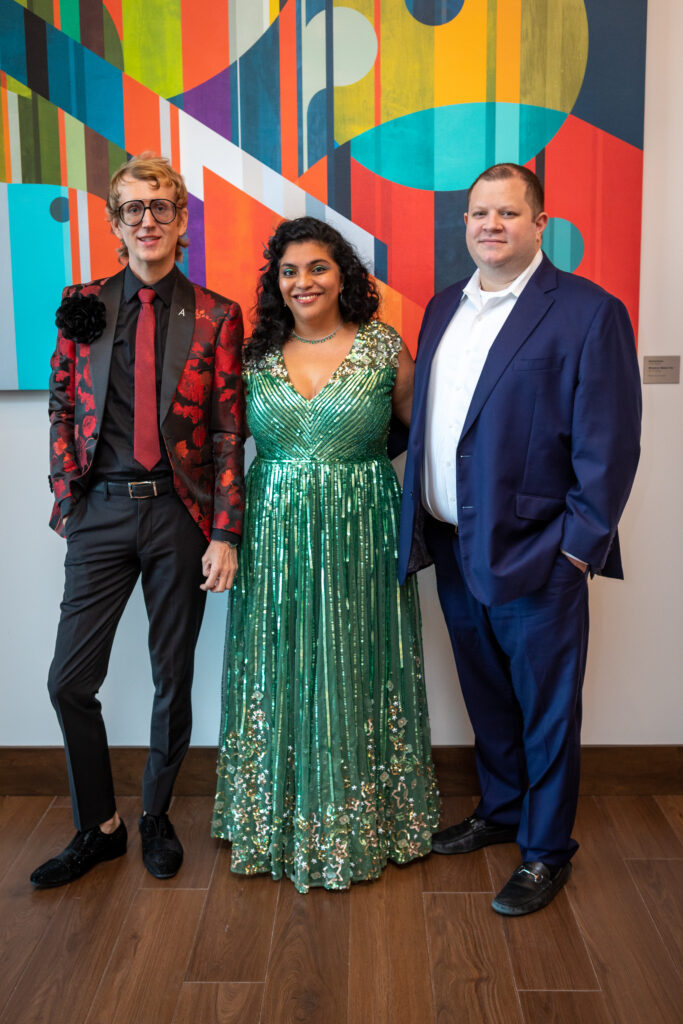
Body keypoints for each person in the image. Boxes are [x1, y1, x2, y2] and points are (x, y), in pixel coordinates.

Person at [397, 163, 641, 916]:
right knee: (488, 697)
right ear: (463, 225)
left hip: (539, 553)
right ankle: (501, 810)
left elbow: (610, 448)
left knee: (545, 709)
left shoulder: (586, 312)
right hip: (452, 546)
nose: (490, 226)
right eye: (478, 214)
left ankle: (544, 850)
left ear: (540, 224)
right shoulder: (442, 308)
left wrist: (575, 551)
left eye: (507, 213)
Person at [30, 154, 244, 888]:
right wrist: (66, 496)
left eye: (160, 207)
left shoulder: (217, 314)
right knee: (68, 681)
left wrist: (225, 531)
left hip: (179, 515)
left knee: (170, 676)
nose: (146, 220)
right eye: (131, 209)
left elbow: (225, 430)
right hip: (99, 512)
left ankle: (155, 814)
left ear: (181, 220)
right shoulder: (81, 301)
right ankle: (101, 826)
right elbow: (61, 404)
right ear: (116, 222)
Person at [212, 216, 439, 892]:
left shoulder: (380, 347)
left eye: (316, 267)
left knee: (358, 658)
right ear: (275, 283)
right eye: (289, 271)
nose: (303, 281)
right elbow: (222, 442)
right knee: (278, 659)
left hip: (361, 531)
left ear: (343, 275)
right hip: (273, 531)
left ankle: (376, 819)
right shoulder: (253, 355)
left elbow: (421, 432)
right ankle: (269, 818)